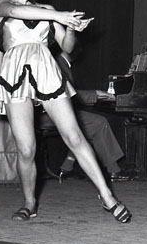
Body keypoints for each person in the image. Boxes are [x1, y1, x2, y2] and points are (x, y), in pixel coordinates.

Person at [0, 0, 131, 224]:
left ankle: (107, 196)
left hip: (46, 71)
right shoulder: (3, 4)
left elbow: (66, 46)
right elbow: (17, 11)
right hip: (15, 74)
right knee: (26, 149)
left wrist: (72, 28)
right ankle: (29, 203)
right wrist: (58, 16)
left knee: (75, 136)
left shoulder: (49, 10)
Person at [53, 50, 130, 183]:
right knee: (98, 123)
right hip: (51, 114)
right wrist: (97, 94)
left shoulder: (63, 63)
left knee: (88, 126)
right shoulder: (58, 64)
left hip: (57, 111)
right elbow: (67, 94)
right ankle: (114, 170)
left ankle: (67, 167)